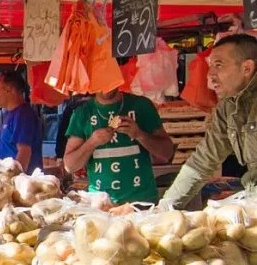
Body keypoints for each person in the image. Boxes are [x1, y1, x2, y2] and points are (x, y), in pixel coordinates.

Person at [162, 33, 257, 207]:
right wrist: (164, 208)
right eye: (210, 66)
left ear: (247, 68)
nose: (211, 74)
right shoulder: (227, 108)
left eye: (219, 65)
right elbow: (202, 162)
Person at [62, 85, 175, 205]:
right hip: (100, 203)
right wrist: (92, 142)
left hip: (142, 202)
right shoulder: (82, 113)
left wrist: (139, 134)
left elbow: (167, 153)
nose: (106, 84)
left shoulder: (142, 105)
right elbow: (70, 165)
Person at [0, 71, 44, 173]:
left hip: (20, 183)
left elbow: (24, 152)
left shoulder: (23, 114)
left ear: (9, 89)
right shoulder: (13, 114)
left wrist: (15, 179)